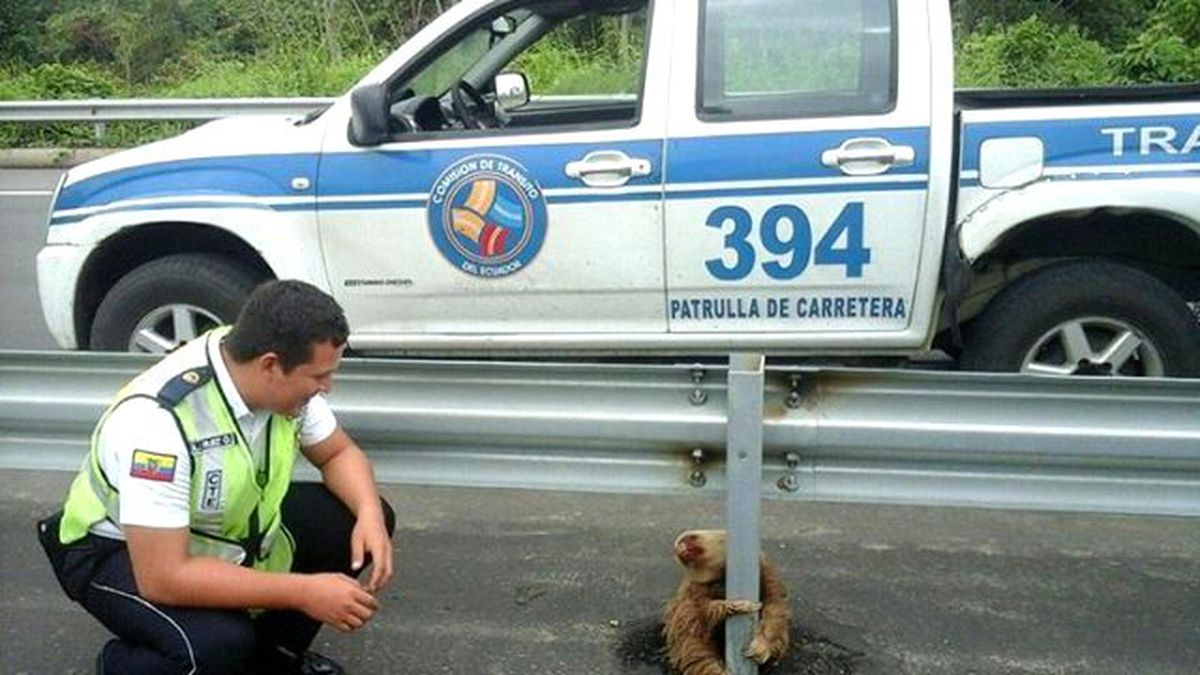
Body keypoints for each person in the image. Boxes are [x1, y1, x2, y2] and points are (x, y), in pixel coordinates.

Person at [37, 279, 396, 674]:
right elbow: (163, 576)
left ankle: (272, 660)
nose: (326, 388)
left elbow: (339, 453)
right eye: (319, 377)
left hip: (210, 531)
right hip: (115, 550)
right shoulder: (157, 424)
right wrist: (305, 592)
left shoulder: (262, 367)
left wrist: (369, 515)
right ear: (271, 365)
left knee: (352, 519)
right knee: (218, 643)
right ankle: (121, 666)